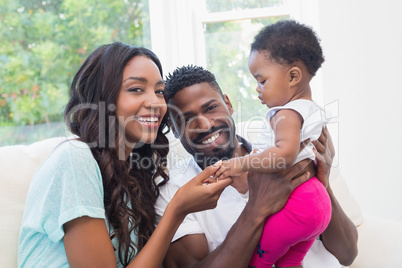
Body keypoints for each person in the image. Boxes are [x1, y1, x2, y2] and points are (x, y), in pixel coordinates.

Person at [17, 42, 234, 267]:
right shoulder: (75, 158)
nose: (155, 103)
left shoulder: (132, 173)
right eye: (136, 89)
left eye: (159, 92)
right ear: (103, 97)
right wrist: (177, 210)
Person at [155, 64, 358, 267]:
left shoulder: (282, 147)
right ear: (173, 128)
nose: (205, 125)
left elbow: (347, 254)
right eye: (187, 119)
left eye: (211, 108)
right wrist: (256, 209)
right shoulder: (175, 192)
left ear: (228, 103)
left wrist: (324, 184)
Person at [213, 20, 332, 267]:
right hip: (319, 205)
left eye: (262, 80)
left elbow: (285, 154)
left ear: (293, 76)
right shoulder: (312, 112)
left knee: (258, 262)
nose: (257, 89)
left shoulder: (287, 114)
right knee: (290, 262)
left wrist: (239, 164)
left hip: (298, 206)